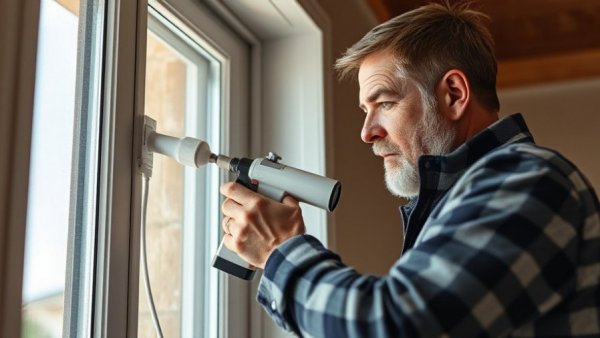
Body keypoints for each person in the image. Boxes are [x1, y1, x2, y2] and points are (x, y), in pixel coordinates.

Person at [220, 1, 600, 337]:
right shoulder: (463, 201)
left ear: (453, 94)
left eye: (383, 102)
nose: (367, 133)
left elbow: (394, 325)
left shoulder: (526, 179)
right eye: (364, 111)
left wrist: (279, 250)